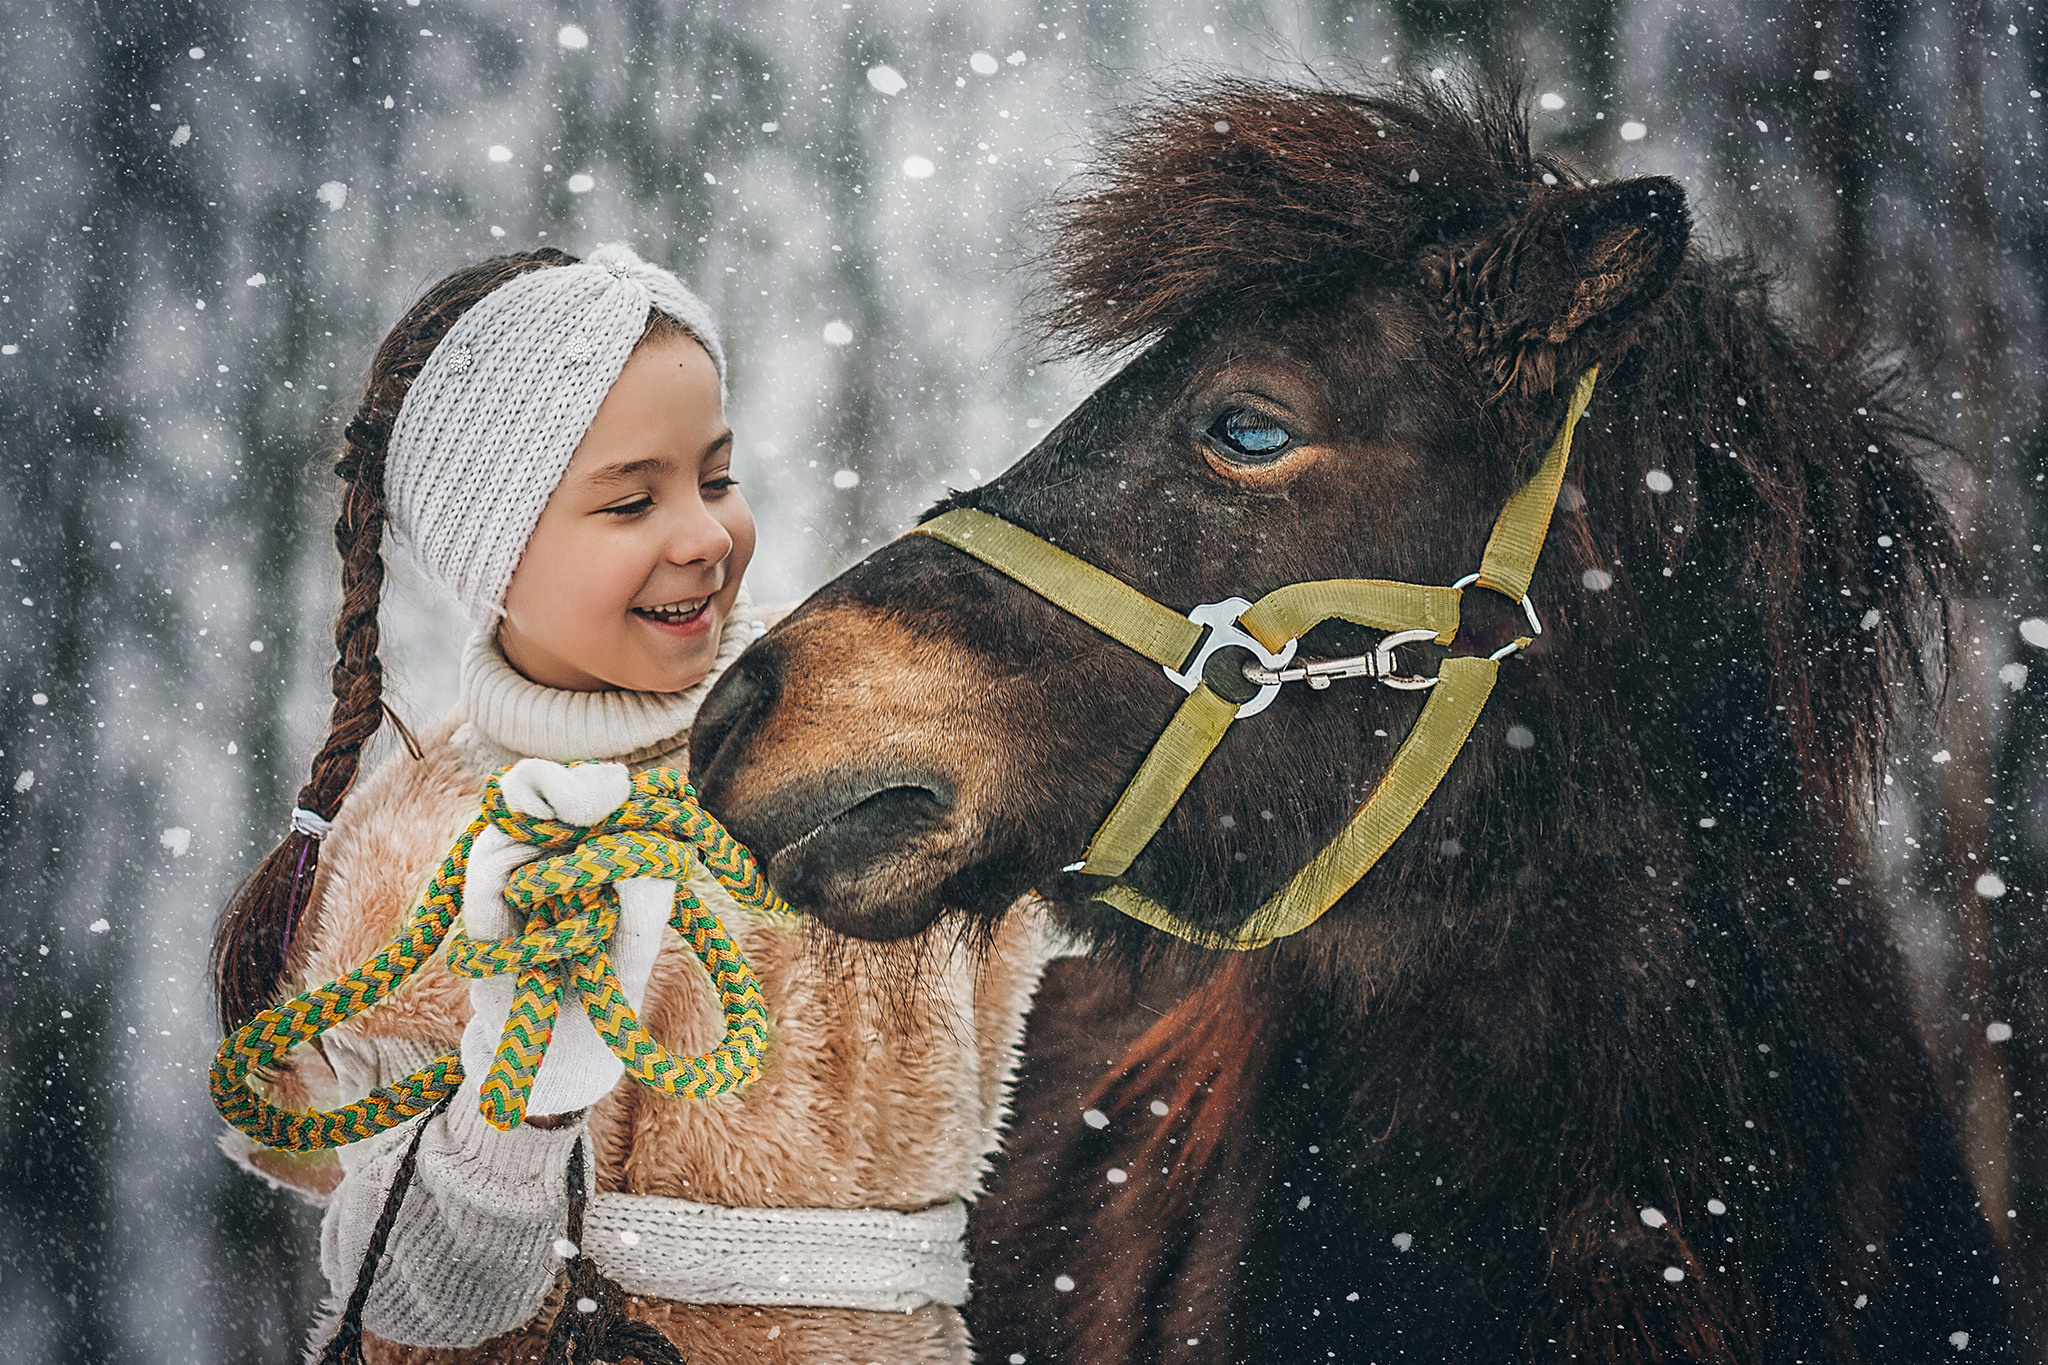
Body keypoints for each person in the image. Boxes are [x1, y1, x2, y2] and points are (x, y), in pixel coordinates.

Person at [211, 244, 1053, 1364]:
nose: (704, 536)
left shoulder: (879, 752)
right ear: (491, 557)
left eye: (715, 478)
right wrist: (521, 1104)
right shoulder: (413, 863)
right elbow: (419, 1307)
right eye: (630, 501)